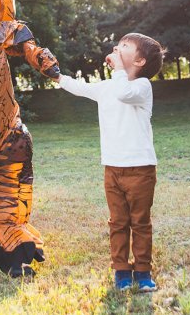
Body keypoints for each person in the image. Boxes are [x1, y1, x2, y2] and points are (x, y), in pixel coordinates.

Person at [53, 33, 166, 292]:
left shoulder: (141, 86)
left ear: (139, 61)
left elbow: (125, 93)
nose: (116, 47)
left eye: (125, 46)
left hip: (141, 169)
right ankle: (121, 271)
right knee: (117, 222)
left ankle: (143, 271)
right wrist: (56, 75)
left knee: (140, 221)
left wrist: (117, 70)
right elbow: (81, 88)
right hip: (112, 168)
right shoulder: (107, 86)